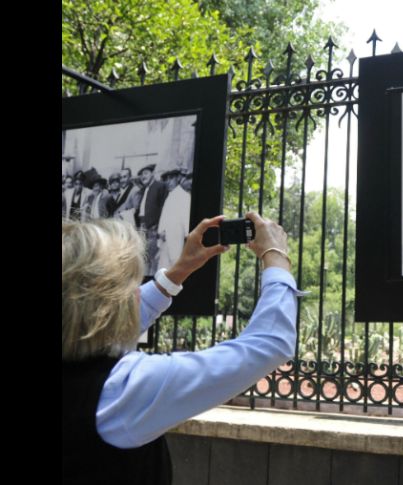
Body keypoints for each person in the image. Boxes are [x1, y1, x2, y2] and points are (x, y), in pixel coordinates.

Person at [62, 212, 300, 484]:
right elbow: (270, 344)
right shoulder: (122, 390)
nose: (136, 293)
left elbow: (99, 327)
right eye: (130, 286)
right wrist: (276, 255)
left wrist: (179, 271)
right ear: (104, 302)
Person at [156, 169, 191, 270]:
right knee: (162, 273)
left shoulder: (184, 196)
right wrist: (162, 232)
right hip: (165, 243)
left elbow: (186, 222)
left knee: (175, 271)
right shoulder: (169, 196)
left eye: (171, 178)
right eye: (166, 179)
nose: (168, 182)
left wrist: (187, 242)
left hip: (176, 241)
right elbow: (165, 219)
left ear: (178, 178)